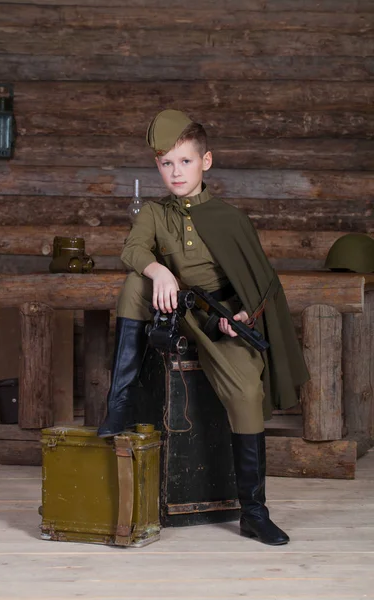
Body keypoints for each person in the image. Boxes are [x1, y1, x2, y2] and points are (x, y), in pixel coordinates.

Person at [97, 109, 310, 546]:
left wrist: (242, 317)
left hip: (218, 319)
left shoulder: (230, 218)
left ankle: (253, 512)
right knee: (135, 281)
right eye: (166, 163)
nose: (175, 172)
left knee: (247, 391)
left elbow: (257, 283)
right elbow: (132, 249)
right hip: (174, 310)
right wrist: (159, 270)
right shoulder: (155, 214)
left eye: (185, 162)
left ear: (206, 162)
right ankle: (119, 400)